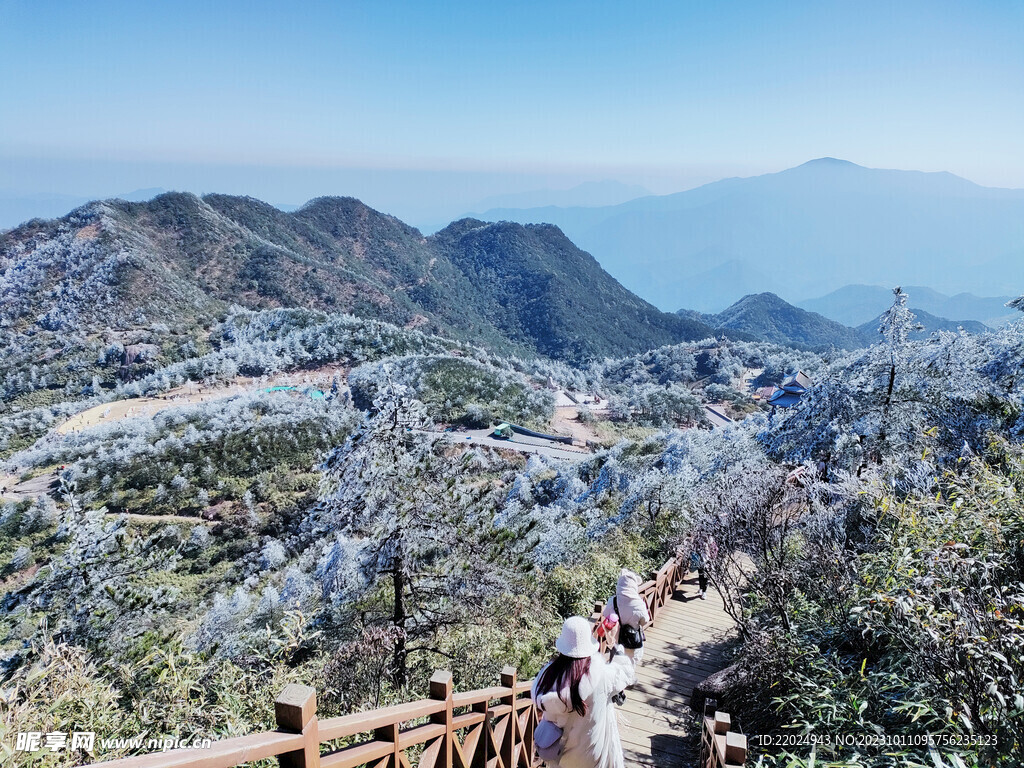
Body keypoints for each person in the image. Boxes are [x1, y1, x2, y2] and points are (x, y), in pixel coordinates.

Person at [531, 616, 634, 768]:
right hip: (591, 756)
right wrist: (614, 644)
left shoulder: (548, 675)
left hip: (560, 756)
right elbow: (626, 673)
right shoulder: (601, 675)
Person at [602, 569, 650, 664]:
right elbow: (645, 621)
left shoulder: (613, 601)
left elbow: (605, 614)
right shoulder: (639, 604)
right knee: (630, 668)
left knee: (615, 667)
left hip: (617, 641)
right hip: (632, 643)